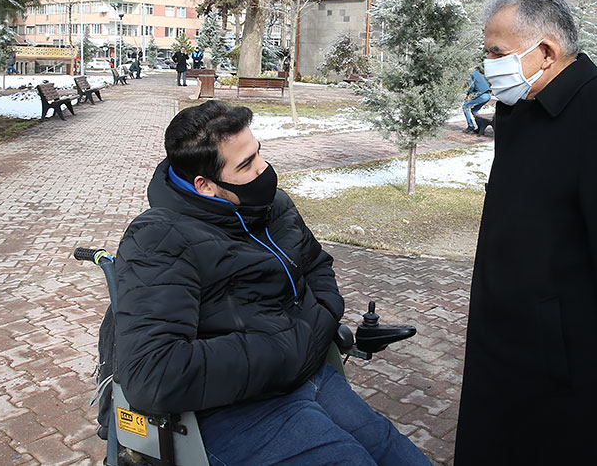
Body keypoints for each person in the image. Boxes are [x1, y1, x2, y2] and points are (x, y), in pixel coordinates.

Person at [113, 101, 430, 465]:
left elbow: (318, 265)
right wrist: (289, 349)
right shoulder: (159, 240)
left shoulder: (273, 206)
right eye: (246, 165)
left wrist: (320, 318)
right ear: (205, 186)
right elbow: (154, 372)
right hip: (234, 409)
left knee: (399, 455)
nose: (263, 169)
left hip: (311, 376)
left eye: (258, 153)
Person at [454, 0, 597, 464]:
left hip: (571, 372)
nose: (488, 62)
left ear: (547, 52)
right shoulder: (520, 109)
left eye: (496, 52)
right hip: (507, 351)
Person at [461, 68, 491, 134]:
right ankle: (480, 128)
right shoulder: (477, 72)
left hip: (482, 95)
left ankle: (470, 126)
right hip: (488, 95)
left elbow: (471, 86)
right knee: (474, 110)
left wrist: (468, 94)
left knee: (465, 106)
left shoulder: (469, 74)